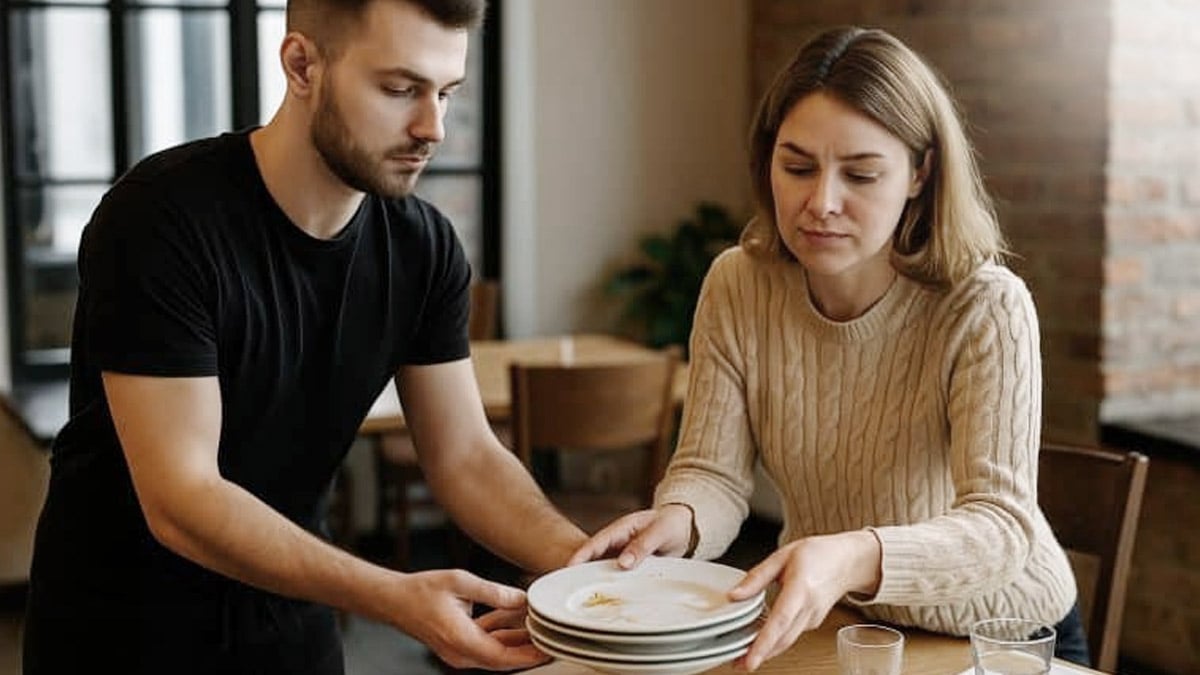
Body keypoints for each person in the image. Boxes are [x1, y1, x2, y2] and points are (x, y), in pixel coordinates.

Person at [22, 0, 588, 673]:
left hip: (291, 614)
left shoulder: (424, 249)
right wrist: (394, 596)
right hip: (122, 632)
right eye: (400, 89)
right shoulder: (160, 220)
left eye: (445, 93)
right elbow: (182, 497)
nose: (432, 127)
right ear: (301, 65)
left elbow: (465, 456)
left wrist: (582, 564)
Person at [570, 25, 1089, 671]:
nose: (821, 202)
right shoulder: (739, 284)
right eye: (797, 167)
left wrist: (852, 555)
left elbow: (1000, 528)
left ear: (920, 173)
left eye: (861, 174)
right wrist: (678, 518)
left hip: (999, 634)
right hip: (841, 621)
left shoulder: (985, 305)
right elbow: (713, 473)